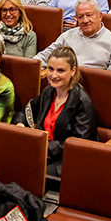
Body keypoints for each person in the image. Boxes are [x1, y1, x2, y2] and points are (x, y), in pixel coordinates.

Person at [13, 46, 96, 175]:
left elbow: (78, 145)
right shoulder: (48, 92)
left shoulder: (82, 102)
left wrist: (41, 145)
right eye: (50, 69)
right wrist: (20, 125)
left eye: (60, 70)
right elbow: (25, 112)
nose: (53, 75)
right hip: (42, 152)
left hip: (64, 161)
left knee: (28, 171)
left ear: (73, 71)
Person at [36, 0, 111, 71]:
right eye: (80, 17)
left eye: (89, 15)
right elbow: (44, 57)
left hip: (97, 84)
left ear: (100, 16)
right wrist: (33, 65)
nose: (85, 20)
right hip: (67, 83)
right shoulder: (67, 36)